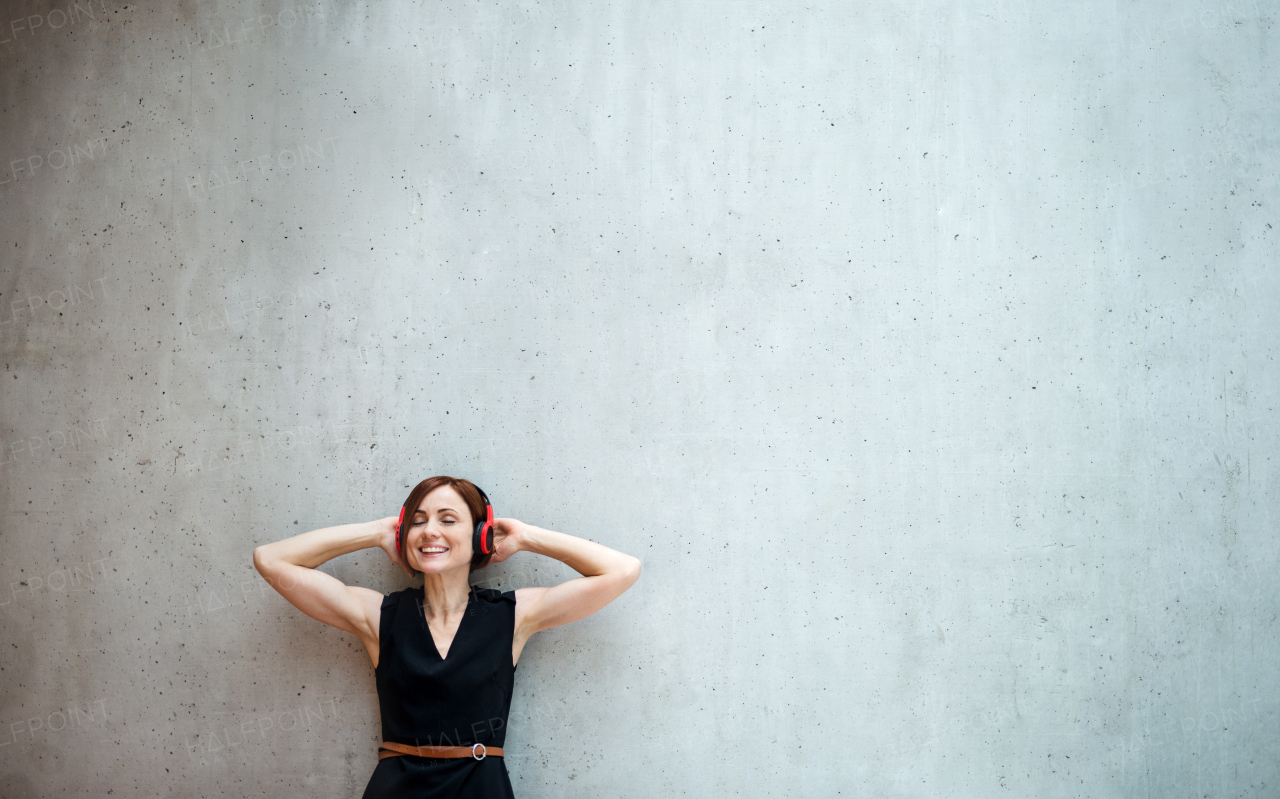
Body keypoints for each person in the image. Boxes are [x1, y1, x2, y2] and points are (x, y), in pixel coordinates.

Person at [252, 475, 642, 798]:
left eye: (448, 519)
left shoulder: (513, 616)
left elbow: (623, 570)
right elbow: (271, 560)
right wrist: (374, 532)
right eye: (418, 520)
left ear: (481, 535)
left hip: (481, 788)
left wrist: (525, 537)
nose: (430, 531)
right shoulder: (379, 616)